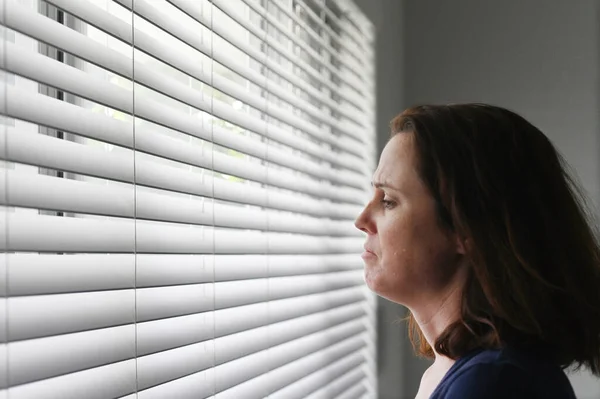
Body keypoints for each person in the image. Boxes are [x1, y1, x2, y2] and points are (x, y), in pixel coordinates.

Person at [355, 104, 600, 398]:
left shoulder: (492, 383)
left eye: (389, 201)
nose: (362, 221)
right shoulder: (457, 371)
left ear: (465, 228)